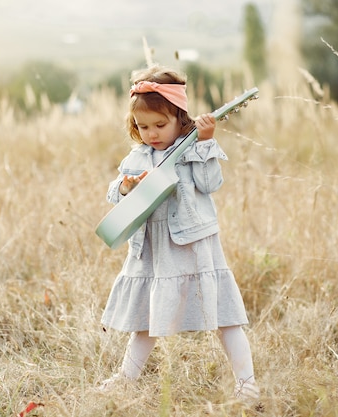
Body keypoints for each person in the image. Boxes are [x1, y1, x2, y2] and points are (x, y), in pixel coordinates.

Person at [99, 64, 259, 402]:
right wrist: (126, 187)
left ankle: (246, 382)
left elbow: (210, 183)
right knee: (145, 317)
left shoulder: (191, 149)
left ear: (180, 118)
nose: (152, 133)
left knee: (225, 314)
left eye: (160, 124)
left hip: (193, 245)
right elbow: (115, 194)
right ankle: (126, 377)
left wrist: (205, 143)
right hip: (154, 249)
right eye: (143, 126)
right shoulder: (138, 155)